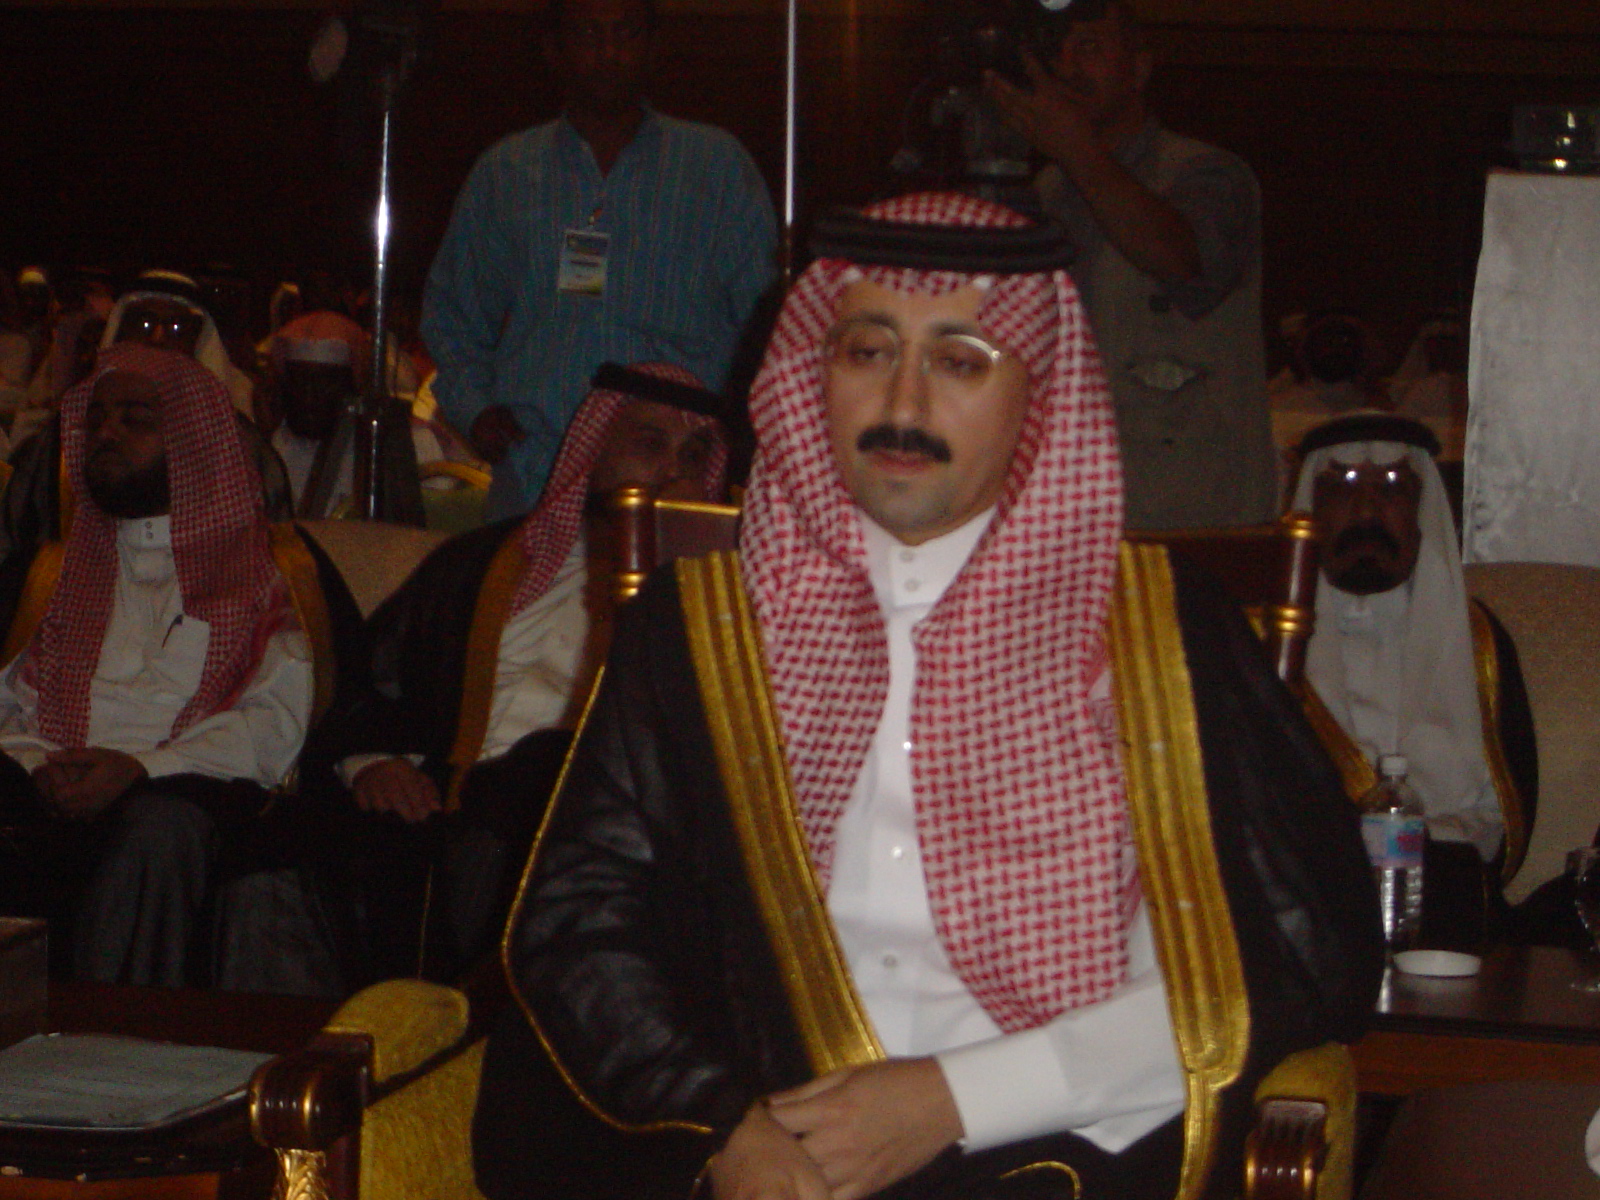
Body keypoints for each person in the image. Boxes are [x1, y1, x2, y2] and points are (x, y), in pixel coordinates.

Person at [476, 193, 1382, 1199]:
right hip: (765, 1151)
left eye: (960, 361)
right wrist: (724, 1129)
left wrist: (958, 1099)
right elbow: (579, 921)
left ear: (1039, 393)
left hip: (1055, 1156)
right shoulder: (699, 633)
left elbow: (1300, 950)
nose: (903, 402)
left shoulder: (1158, 634)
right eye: (867, 351)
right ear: (814, 373)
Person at [303, 360, 727, 983]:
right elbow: (377, 675)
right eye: (648, 443)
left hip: (574, 817)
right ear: (593, 448)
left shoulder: (719, 598)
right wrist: (374, 762)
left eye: (692, 457)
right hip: (432, 799)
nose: (671, 471)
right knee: (290, 863)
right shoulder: (486, 562)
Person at [0, 344, 350, 986]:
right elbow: (7, 701)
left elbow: (274, 724)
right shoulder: (47, 572)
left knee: (158, 827)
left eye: (135, 419)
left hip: (192, 789)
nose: (107, 434)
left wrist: (141, 769)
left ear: (193, 442)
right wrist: (36, 762)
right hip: (45, 780)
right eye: (97, 419)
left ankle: (116, 1034)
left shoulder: (275, 568)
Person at [422, 0, 776, 520]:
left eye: (625, 33)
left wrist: (734, 436)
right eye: (588, 34)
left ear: (653, 46)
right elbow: (452, 318)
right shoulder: (505, 173)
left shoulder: (717, 169)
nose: (608, 53)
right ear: (554, 50)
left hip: (676, 485)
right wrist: (476, 411)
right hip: (534, 479)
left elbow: (768, 329)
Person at [986, 0, 1275, 530]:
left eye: (1090, 47)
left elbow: (1185, 263)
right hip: (1071, 508)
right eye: (1057, 53)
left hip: (1193, 518)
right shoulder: (1048, 191)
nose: (1069, 67)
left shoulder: (1210, 174)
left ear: (1139, 69)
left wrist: (1076, 148)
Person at [1292, 411, 1536, 942]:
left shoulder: (1478, 644)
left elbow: (1502, 821)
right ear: (1311, 507)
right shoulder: (1265, 643)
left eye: (1392, 488)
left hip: (1447, 911)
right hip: (1305, 912)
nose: (1367, 511)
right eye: (1343, 486)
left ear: (1422, 510)